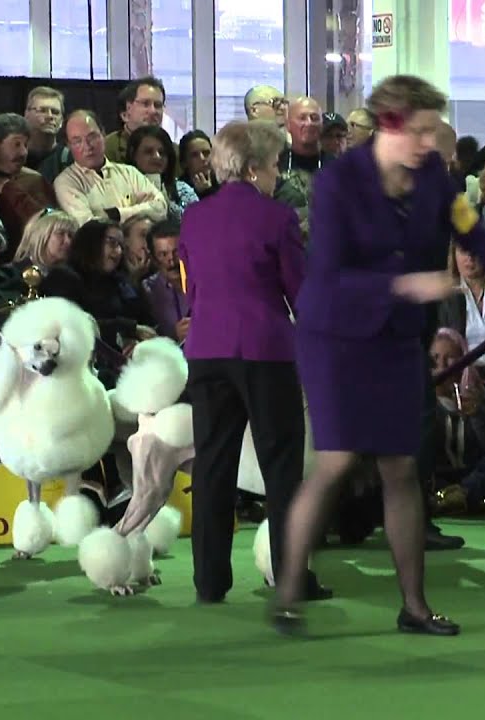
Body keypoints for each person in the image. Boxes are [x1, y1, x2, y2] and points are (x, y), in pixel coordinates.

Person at [270, 75, 485, 636]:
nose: (430, 144)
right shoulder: (340, 181)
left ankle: (414, 607)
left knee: (402, 469)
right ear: (390, 126)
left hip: (395, 342)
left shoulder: (435, 178)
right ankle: (289, 587)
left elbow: (470, 228)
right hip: (336, 338)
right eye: (420, 132)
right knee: (336, 463)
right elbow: (330, 274)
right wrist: (406, 286)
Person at [177, 119, 326, 605]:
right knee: (281, 468)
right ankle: (291, 578)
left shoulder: (193, 218)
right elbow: (298, 290)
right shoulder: (276, 218)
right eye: (276, 164)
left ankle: (209, 582)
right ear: (257, 166)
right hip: (264, 349)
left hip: (206, 349)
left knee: (213, 467)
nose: (278, 174)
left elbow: (191, 290)